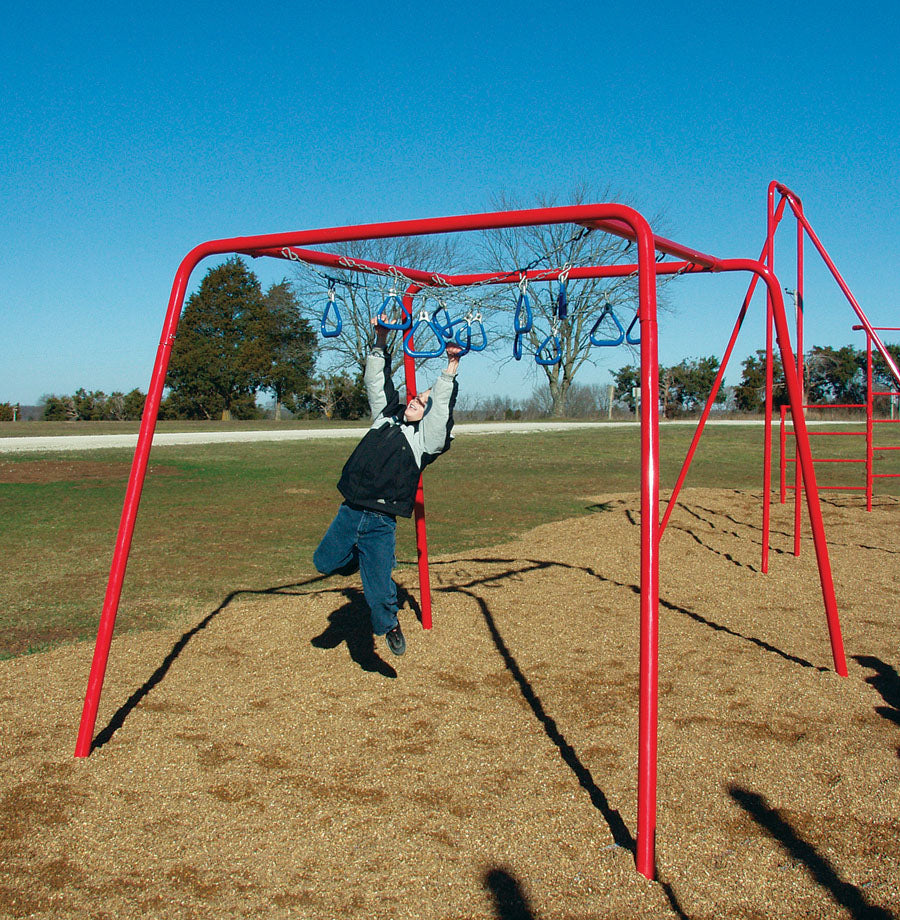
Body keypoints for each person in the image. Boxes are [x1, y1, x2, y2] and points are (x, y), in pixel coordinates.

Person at [313, 315, 461, 657]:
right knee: (324, 562)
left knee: (380, 590)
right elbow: (375, 382)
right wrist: (380, 338)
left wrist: (450, 367)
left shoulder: (424, 442)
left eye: (423, 402)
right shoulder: (385, 418)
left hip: (381, 522)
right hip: (350, 510)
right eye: (416, 397)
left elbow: (441, 411)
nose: (415, 401)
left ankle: (390, 626)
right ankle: (357, 559)